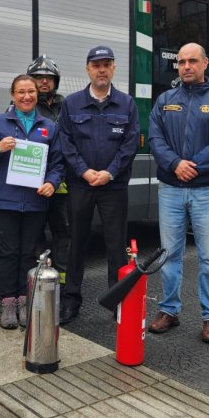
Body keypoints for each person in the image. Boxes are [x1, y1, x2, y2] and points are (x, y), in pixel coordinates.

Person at [147, 43, 209, 343]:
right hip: (171, 189)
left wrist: (193, 167)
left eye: (192, 61)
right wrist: (175, 164)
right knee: (169, 255)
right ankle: (169, 311)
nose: (186, 66)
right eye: (181, 62)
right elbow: (155, 137)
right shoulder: (165, 100)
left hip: (208, 190)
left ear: (205, 63)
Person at [57, 46, 139, 325]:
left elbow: (130, 145)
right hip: (80, 185)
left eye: (106, 64)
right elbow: (65, 142)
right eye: (96, 65)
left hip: (113, 187)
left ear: (114, 68)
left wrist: (110, 173)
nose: (101, 69)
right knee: (76, 244)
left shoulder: (127, 104)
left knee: (116, 247)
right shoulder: (72, 103)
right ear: (87, 69)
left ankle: (117, 303)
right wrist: (84, 171)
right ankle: (71, 300)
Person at [0, 74, 64, 330]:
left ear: (37, 94)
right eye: (21, 92)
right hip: (5, 201)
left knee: (28, 254)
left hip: (35, 203)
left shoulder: (49, 126)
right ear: (12, 95)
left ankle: (25, 301)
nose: (27, 96)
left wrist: (52, 183)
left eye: (31, 92)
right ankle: (8, 303)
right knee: (8, 252)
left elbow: (57, 164)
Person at [27, 55, 71, 287]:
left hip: (62, 187)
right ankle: (39, 283)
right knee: (35, 235)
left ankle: (61, 285)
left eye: (48, 78)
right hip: (32, 186)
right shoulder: (22, 107)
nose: (44, 82)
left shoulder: (68, 107)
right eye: (38, 78)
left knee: (63, 234)